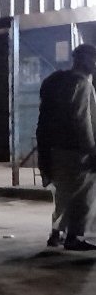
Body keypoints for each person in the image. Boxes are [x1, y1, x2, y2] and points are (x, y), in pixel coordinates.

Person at [37, 43, 96, 250]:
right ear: (84, 60)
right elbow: (82, 121)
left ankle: (57, 234)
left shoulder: (59, 81)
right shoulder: (81, 84)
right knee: (83, 197)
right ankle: (75, 237)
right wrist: (92, 151)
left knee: (63, 195)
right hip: (76, 151)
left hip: (57, 149)